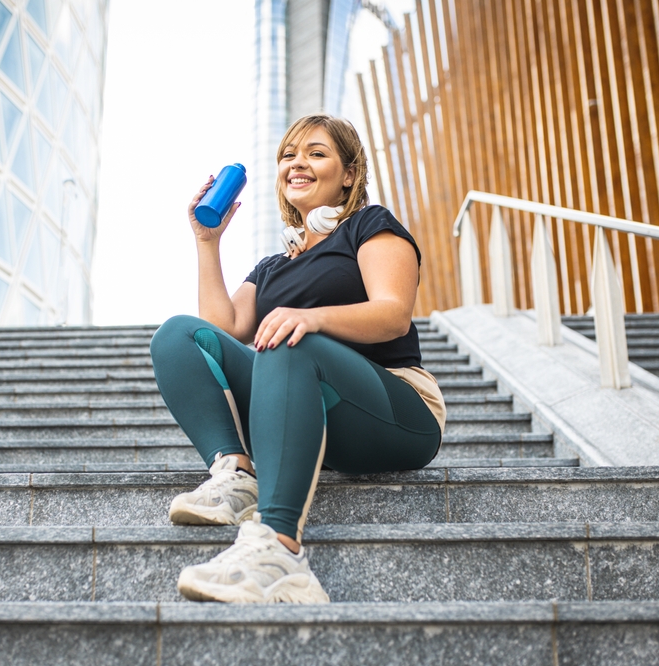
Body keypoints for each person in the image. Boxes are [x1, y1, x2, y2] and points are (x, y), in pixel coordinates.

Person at [149, 114, 446, 604]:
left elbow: (393, 314)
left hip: (396, 413)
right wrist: (208, 242)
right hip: (308, 407)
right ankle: (235, 472)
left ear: (349, 174)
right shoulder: (272, 267)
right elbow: (221, 331)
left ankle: (279, 550)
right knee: (178, 335)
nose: (297, 163)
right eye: (288, 155)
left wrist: (312, 319)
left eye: (315, 152)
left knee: (289, 337)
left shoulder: (369, 226)